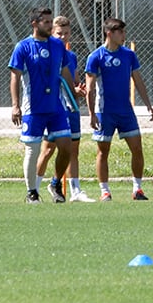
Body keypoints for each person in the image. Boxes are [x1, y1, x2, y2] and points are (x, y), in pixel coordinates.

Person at [84, 17, 153, 201]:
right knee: (103, 151)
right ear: (110, 33)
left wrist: (148, 104)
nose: (124, 36)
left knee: (137, 148)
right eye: (121, 32)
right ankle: (104, 191)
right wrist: (92, 114)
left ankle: (137, 189)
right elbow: (90, 88)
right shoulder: (96, 57)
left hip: (125, 111)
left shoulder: (128, 55)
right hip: (104, 112)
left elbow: (137, 80)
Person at [10, 8, 76, 204]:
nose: (49, 25)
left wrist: (73, 94)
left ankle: (55, 183)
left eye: (50, 21)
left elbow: (65, 73)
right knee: (33, 150)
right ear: (34, 24)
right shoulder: (23, 47)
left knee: (66, 147)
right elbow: (15, 76)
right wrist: (15, 105)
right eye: (46, 22)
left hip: (56, 107)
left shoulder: (58, 46)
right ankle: (32, 192)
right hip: (33, 108)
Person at [35, 15, 93, 203]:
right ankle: (34, 188)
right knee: (47, 150)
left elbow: (73, 81)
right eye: (59, 33)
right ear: (52, 32)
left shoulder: (71, 56)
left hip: (71, 109)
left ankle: (74, 190)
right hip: (53, 107)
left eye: (67, 33)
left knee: (72, 149)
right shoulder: (47, 52)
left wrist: (79, 89)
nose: (63, 37)